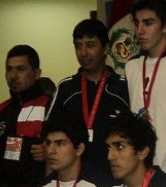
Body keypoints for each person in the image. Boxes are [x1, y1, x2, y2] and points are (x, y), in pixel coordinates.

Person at [48, 19, 131, 176]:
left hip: (113, 178)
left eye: (90, 45)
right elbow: (49, 134)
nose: (83, 52)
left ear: (106, 48)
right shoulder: (66, 88)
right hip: (74, 179)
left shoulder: (123, 87)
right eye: (78, 46)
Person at [124, 0, 166, 181]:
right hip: (139, 169)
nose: (140, 31)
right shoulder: (131, 66)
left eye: (148, 23)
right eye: (137, 23)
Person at [0, 44, 49, 187]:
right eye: (9, 69)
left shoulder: (51, 108)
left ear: (37, 73)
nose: (13, 76)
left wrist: (50, 152)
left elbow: (71, 151)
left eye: (20, 69)